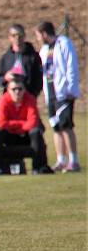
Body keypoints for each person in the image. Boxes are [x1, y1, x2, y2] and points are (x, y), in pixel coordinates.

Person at [35, 21, 81, 172]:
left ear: (44, 34)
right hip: (51, 94)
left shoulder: (64, 44)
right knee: (56, 127)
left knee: (66, 126)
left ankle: (74, 161)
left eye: (38, 35)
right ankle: (61, 160)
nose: (37, 39)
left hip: (64, 93)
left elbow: (71, 67)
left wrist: (71, 90)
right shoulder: (44, 50)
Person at [0, 79, 52, 175]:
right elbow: (1, 123)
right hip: (11, 136)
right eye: (14, 89)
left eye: (20, 89)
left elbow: (33, 122)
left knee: (36, 132)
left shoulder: (30, 99)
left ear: (24, 90)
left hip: (26, 136)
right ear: (8, 90)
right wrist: (21, 124)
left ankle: (37, 167)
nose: (17, 92)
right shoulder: (3, 101)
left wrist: (14, 125)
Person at [0, 24, 43, 97]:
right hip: (10, 99)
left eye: (20, 35)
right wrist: (5, 78)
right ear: (9, 37)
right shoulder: (5, 58)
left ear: (24, 36)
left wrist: (33, 95)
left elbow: (39, 79)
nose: (17, 38)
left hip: (28, 98)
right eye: (14, 35)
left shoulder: (33, 56)